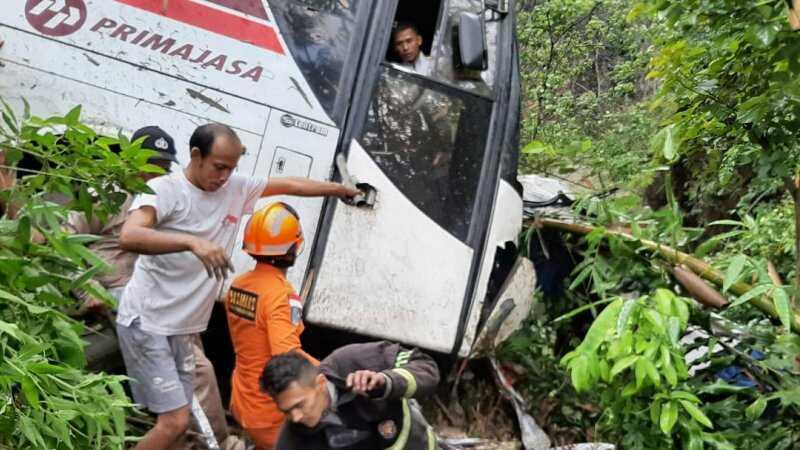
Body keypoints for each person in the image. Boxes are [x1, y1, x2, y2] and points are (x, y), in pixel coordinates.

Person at [115, 123, 359, 450]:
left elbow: (291, 184)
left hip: (181, 328)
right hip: (148, 321)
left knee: (180, 416)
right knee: (173, 422)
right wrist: (192, 243)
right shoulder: (163, 189)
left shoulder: (234, 192)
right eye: (219, 167)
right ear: (196, 155)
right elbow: (130, 235)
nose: (225, 177)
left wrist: (337, 189)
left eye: (232, 169)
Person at [225, 202, 318, 449]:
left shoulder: (238, 284)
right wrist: (332, 370)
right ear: (294, 248)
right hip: (271, 415)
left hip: (242, 401)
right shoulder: (281, 295)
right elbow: (287, 357)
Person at [261, 342, 442, 450]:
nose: (296, 417)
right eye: (287, 412)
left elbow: (426, 366)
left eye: (299, 405)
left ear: (321, 383)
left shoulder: (353, 360)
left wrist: (387, 381)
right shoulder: (293, 440)